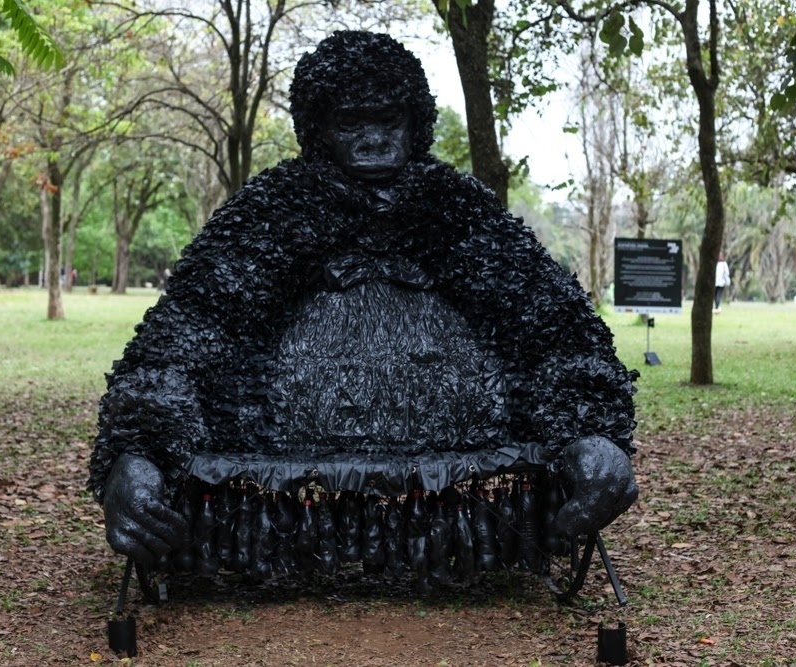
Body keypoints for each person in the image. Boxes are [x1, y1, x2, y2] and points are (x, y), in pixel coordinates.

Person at [88, 31, 638, 567]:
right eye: (352, 123)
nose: (373, 141)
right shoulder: (273, 210)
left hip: (469, 464)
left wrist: (593, 431)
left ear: (415, 123)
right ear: (318, 128)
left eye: (387, 121)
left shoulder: (457, 209)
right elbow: (183, 334)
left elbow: (558, 326)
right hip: (278, 465)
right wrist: (139, 449)